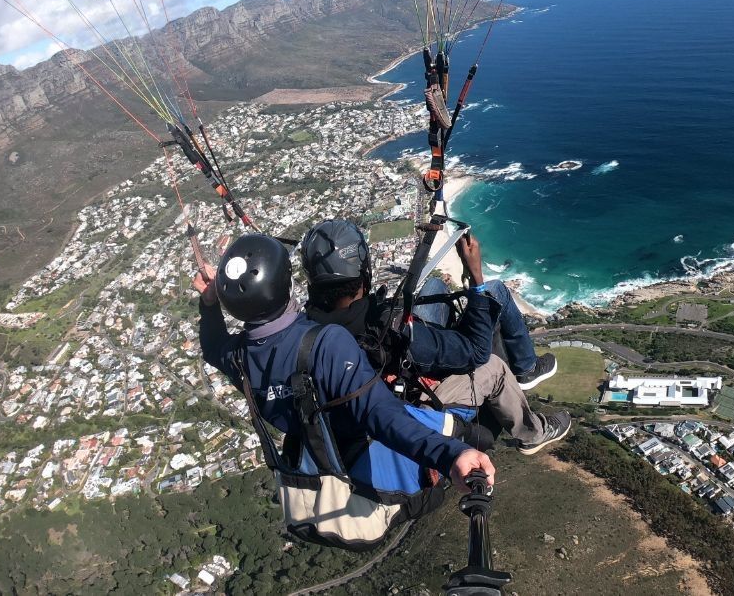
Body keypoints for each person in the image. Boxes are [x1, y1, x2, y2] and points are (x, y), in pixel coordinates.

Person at [196, 232, 494, 544]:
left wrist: (209, 303)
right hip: (361, 454)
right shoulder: (325, 342)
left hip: (322, 450)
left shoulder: (238, 358)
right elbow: (380, 415)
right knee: (481, 433)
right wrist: (449, 455)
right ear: (287, 285)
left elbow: (212, 345)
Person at [300, 218, 572, 455]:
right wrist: (476, 277)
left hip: (392, 367)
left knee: (434, 285)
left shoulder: (306, 327)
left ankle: (525, 368)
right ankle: (533, 430)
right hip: (419, 396)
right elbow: (476, 352)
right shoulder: (383, 325)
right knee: (495, 307)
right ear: (365, 272)